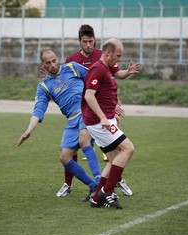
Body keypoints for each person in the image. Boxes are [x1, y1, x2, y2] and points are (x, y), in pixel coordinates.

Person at [57, 24, 136, 198]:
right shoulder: (72, 60)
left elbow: (115, 76)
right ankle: (71, 184)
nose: (88, 45)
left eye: (91, 41)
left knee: (110, 150)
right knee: (74, 149)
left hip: (97, 112)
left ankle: (107, 185)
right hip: (82, 111)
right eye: (85, 42)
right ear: (80, 41)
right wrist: (51, 74)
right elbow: (64, 81)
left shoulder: (103, 56)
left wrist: (127, 74)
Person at [18, 49, 101, 201]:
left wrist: (112, 102)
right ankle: (93, 187)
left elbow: (95, 78)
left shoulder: (72, 67)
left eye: (54, 60)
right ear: (43, 65)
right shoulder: (44, 86)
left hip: (86, 111)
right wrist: (29, 129)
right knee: (65, 157)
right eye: (48, 63)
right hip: (71, 120)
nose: (53, 65)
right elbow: (38, 109)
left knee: (84, 140)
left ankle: (100, 184)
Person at [81, 38, 140, 208]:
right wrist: (103, 118)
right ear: (108, 53)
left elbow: (118, 76)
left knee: (114, 159)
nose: (120, 59)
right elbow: (89, 96)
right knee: (128, 148)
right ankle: (107, 191)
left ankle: (97, 198)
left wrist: (127, 72)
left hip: (105, 120)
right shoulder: (97, 70)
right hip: (99, 123)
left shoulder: (107, 67)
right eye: (118, 55)